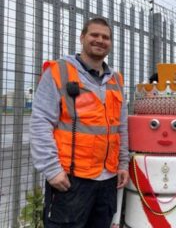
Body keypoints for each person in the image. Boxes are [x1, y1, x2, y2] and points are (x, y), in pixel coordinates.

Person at [30, 17, 129, 228]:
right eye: (94, 35)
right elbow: (40, 122)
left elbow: (121, 128)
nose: (100, 40)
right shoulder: (59, 72)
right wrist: (52, 169)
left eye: (106, 37)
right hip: (70, 181)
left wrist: (123, 164)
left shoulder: (116, 81)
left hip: (107, 180)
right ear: (83, 37)